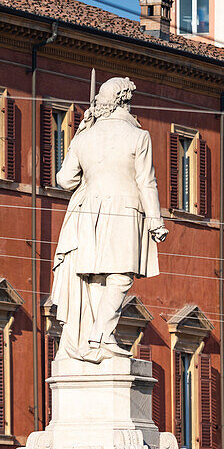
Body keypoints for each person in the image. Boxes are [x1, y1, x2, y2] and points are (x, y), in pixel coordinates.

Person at [50, 77, 168, 361]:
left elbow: (65, 180)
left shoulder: (84, 137)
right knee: (120, 276)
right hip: (125, 212)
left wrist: (81, 135)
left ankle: (98, 334)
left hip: (88, 214)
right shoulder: (138, 136)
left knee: (94, 277)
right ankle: (100, 335)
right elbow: (146, 182)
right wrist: (156, 221)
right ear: (124, 101)